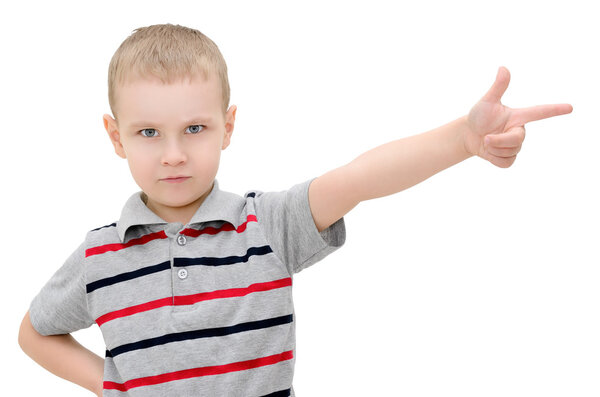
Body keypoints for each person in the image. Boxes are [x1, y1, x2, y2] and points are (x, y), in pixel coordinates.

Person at [18, 23, 573, 397]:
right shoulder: (101, 253)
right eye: (147, 132)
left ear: (227, 126)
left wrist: (462, 140)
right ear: (116, 136)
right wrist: (112, 385)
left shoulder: (267, 225)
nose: (173, 154)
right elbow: (35, 333)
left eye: (195, 128)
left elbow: (359, 177)